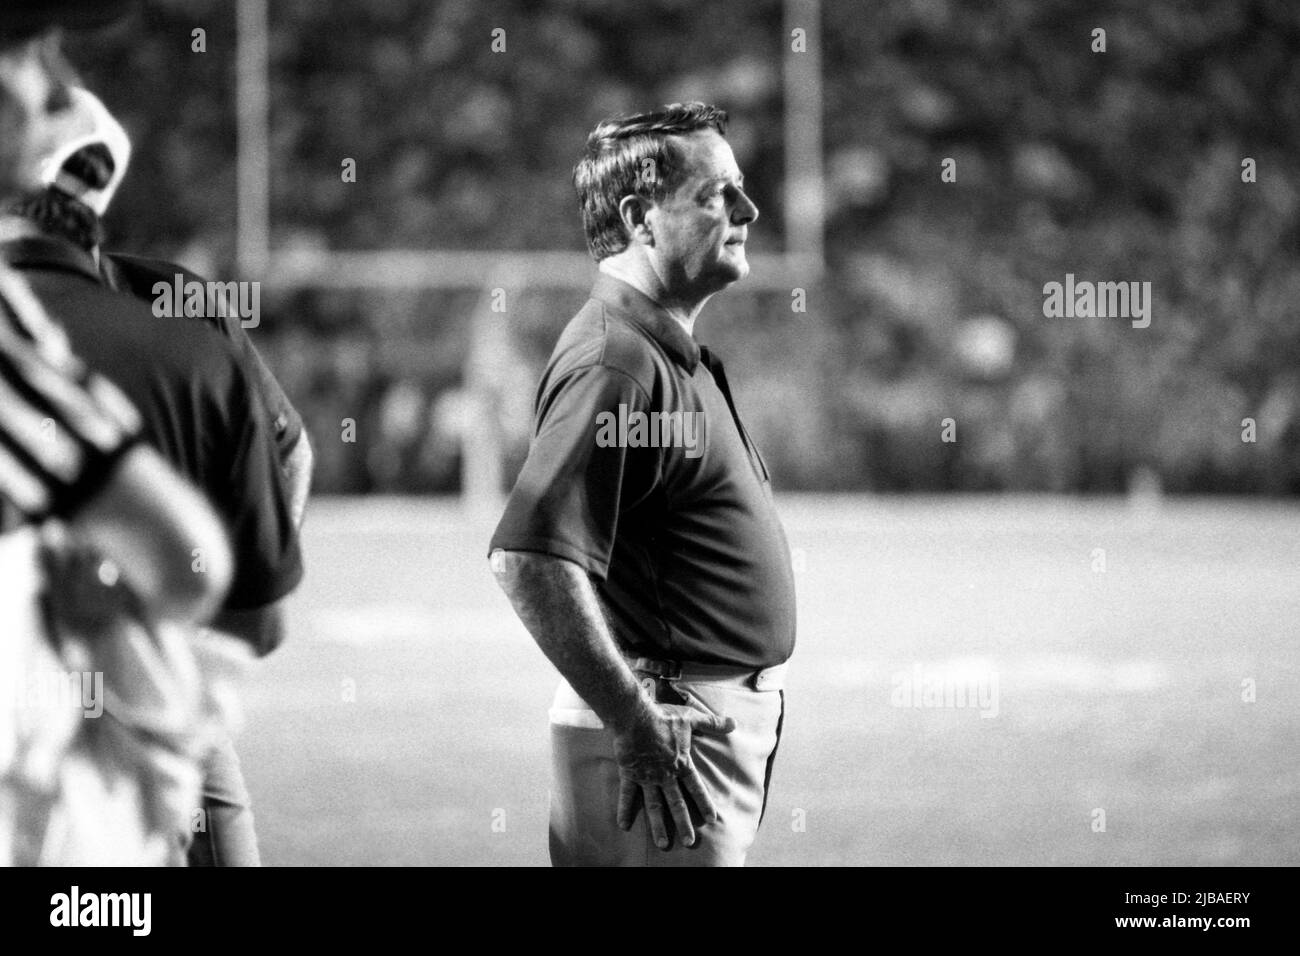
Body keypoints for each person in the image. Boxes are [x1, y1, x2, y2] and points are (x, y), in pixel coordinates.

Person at [1, 47, 305, 865]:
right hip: (150, 704)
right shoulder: (181, 317)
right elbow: (244, 572)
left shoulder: (36, 315)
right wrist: (186, 658)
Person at [489, 102, 796, 866]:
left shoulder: (659, 352)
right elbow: (528, 557)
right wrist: (633, 719)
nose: (748, 210)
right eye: (715, 193)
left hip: (684, 725)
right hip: (660, 732)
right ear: (640, 217)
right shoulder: (617, 362)